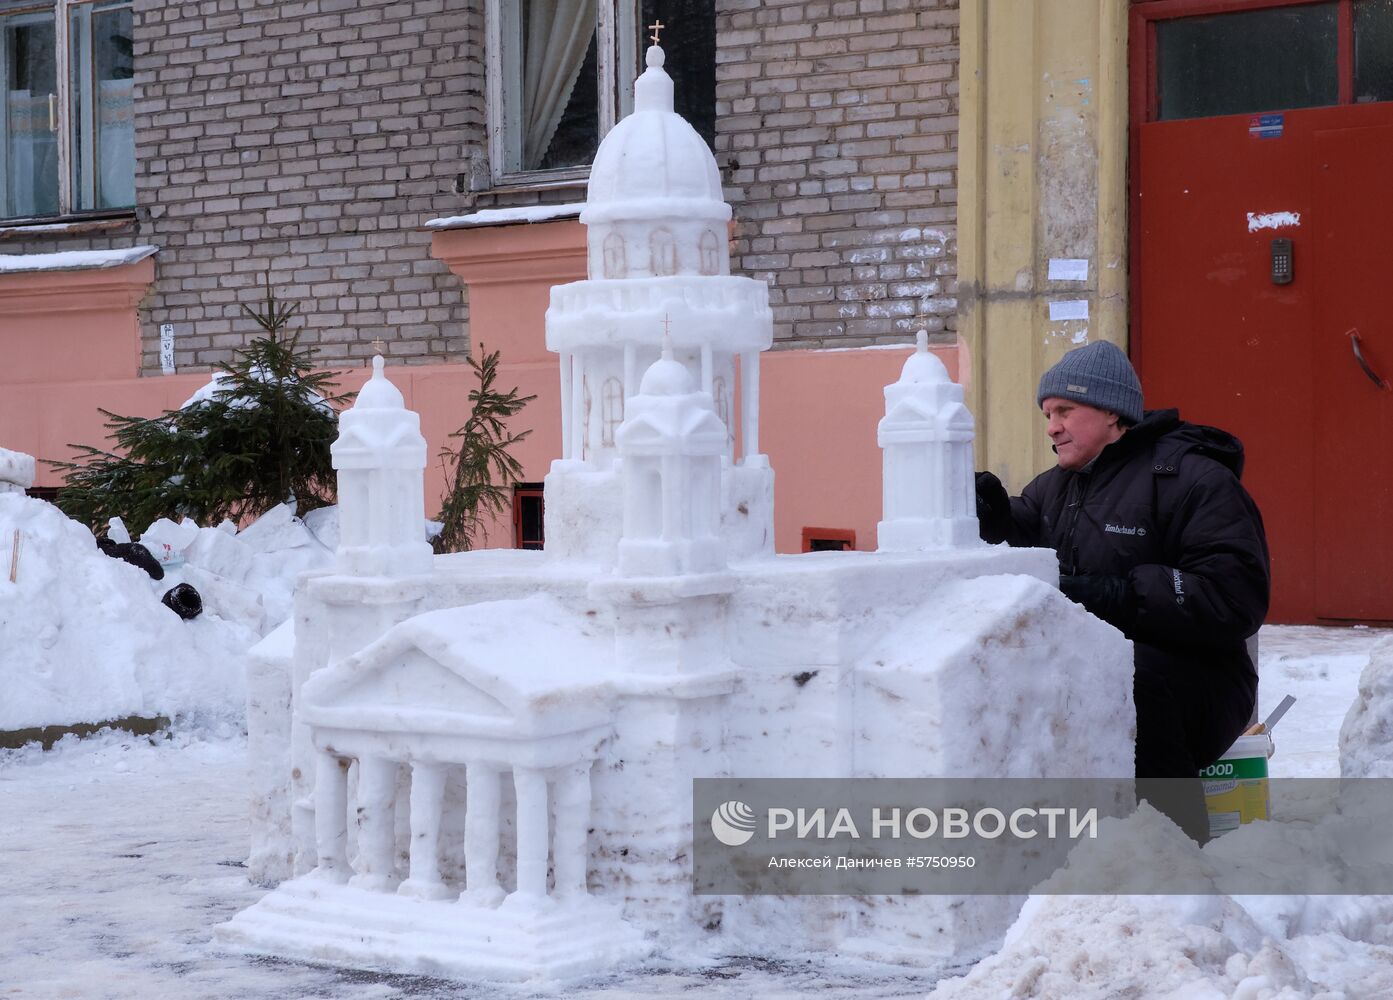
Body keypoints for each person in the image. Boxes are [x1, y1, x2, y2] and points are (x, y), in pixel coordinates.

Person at [974, 340, 1270, 842]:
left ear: (1113, 412)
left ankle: (1171, 855)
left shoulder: (1192, 478)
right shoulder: (1056, 486)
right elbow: (1027, 531)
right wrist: (993, 516)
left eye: (1065, 410)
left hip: (1198, 679)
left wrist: (1123, 596)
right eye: (1048, 414)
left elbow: (1234, 596)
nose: (1052, 427)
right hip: (1094, 661)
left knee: (1130, 677)